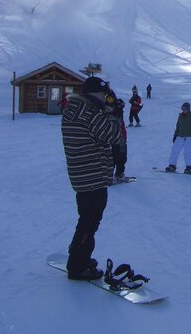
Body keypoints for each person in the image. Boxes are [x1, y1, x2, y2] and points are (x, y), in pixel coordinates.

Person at [61, 76, 121, 280]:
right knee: (89, 222)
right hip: (93, 175)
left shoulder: (74, 109)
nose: (106, 98)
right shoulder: (90, 113)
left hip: (82, 175)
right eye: (104, 95)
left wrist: (106, 111)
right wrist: (113, 114)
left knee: (85, 220)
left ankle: (79, 256)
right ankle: (77, 266)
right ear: (95, 94)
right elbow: (113, 135)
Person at [165, 102, 191, 174]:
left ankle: (189, 168)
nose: (183, 110)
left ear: (188, 108)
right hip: (179, 136)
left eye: (184, 108)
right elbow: (177, 127)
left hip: (189, 137)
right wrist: (175, 136)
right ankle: (172, 166)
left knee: (187, 152)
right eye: (182, 108)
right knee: (174, 151)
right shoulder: (180, 116)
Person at [105, 93, 128, 182]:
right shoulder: (105, 109)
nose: (110, 101)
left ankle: (119, 173)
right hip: (111, 138)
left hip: (121, 137)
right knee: (112, 157)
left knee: (122, 156)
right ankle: (109, 175)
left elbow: (122, 104)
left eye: (112, 99)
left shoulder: (118, 109)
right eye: (108, 99)